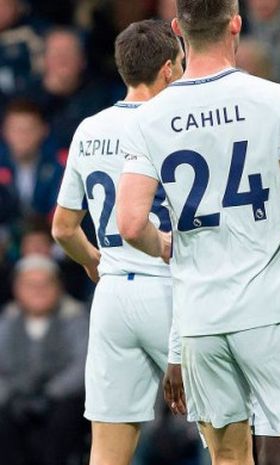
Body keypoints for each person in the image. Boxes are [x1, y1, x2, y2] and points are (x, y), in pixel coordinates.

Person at [115, 2, 280, 465]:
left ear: (178, 29)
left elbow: (130, 223)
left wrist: (161, 245)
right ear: (236, 23)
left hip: (201, 322)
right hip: (271, 309)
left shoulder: (149, 118)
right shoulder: (274, 99)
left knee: (229, 458)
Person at [51, 19, 185, 465]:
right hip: (171, 290)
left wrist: (93, 262)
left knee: (107, 451)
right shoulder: (175, 125)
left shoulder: (89, 128)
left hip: (111, 298)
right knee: (226, 432)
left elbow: (64, 228)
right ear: (168, 69)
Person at [0, 254, 89, 465]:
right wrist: (11, 394)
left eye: (45, 284)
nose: (38, 290)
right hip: (15, 398)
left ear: (58, 286)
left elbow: (82, 364)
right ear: (17, 289)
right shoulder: (7, 320)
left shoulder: (75, 316)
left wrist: (51, 393)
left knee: (66, 417)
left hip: (61, 400)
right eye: (30, 284)